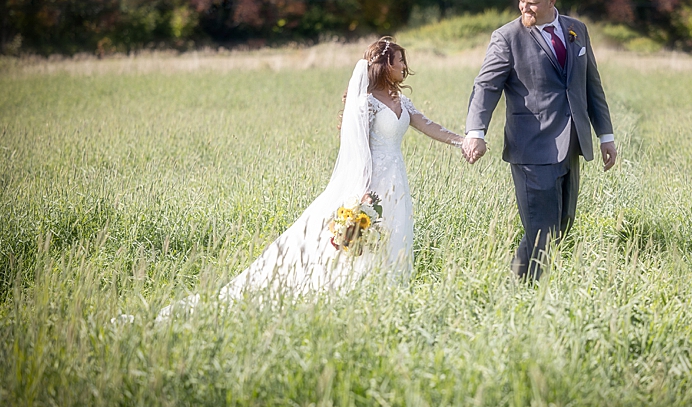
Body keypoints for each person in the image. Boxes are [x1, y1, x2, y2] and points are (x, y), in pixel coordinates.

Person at [156, 37, 464, 320]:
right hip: (370, 185)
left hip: (397, 182)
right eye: (399, 61)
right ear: (384, 66)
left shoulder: (402, 102)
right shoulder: (365, 104)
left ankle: (388, 298)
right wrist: (362, 193)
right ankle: (354, 296)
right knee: (362, 243)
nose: (404, 67)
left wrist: (462, 142)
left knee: (394, 237)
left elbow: (427, 125)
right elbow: (358, 151)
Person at [462, 0, 617, 280]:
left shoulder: (577, 31)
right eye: (521, 2)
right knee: (540, 227)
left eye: (532, 3)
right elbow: (486, 86)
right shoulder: (507, 37)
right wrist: (475, 132)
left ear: (552, 1)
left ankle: (523, 284)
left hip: (572, 143)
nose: (524, 9)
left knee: (562, 223)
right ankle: (525, 289)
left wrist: (606, 136)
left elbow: (591, 85)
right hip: (531, 146)